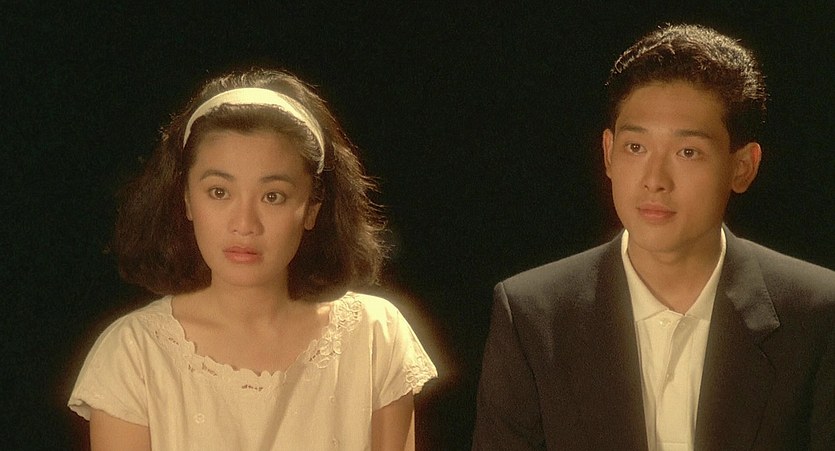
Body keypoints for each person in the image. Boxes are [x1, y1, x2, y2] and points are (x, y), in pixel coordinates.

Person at [472, 24, 835, 450]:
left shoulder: (817, 314)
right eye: (636, 148)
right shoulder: (533, 316)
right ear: (608, 153)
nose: (655, 180)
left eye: (687, 152)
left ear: (743, 167)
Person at [68, 68, 437, 450]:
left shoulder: (375, 337)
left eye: (272, 196)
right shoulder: (133, 354)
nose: (244, 224)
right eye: (219, 192)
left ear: (312, 208)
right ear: (186, 199)